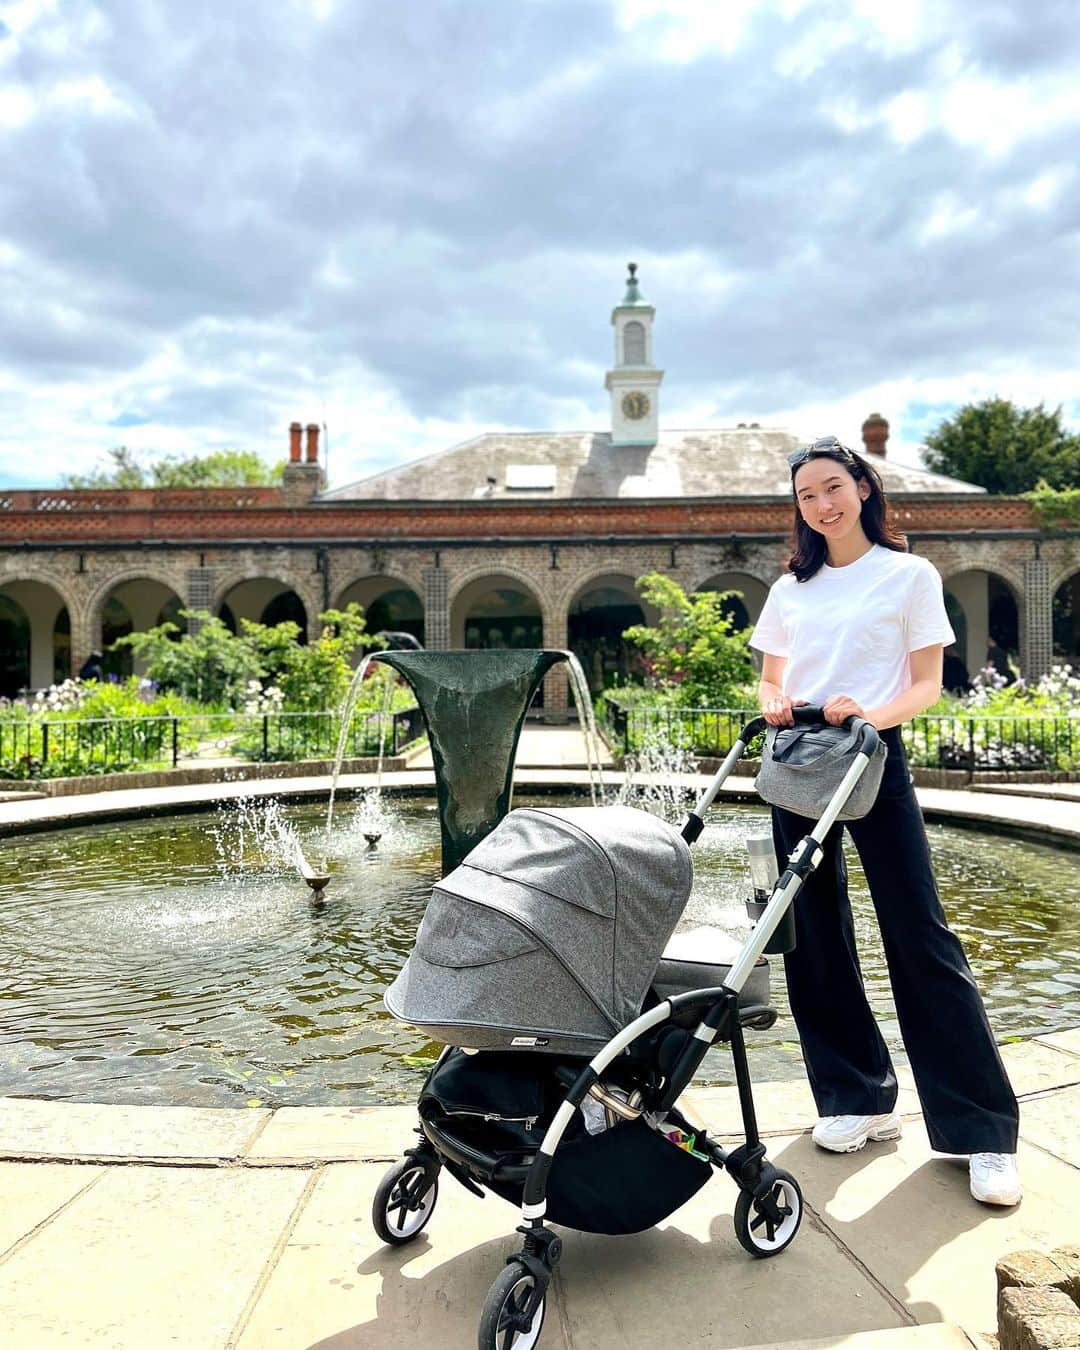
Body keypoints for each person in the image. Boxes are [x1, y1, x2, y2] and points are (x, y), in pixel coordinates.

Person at [749, 435, 1020, 1207]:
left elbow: (927, 683)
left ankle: (982, 1132)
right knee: (812, 931)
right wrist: (773, 699)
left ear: (863, 487)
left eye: (833, 486)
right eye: (807, 495)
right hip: (799, 758)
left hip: (873, 752)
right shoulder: (790, 590)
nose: (823, 504)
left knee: (918, 931)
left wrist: (869, 711)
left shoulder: (908, 574)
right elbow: (771, 675)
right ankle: (855, 1096)